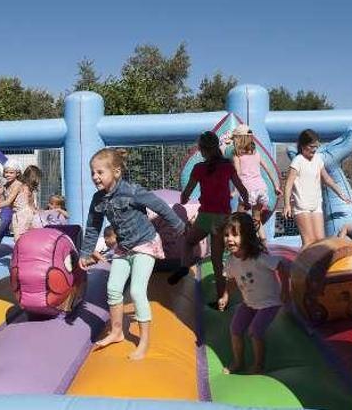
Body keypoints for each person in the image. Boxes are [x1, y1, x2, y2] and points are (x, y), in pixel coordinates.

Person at [80, 148, 184, 360]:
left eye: (100, 172)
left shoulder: (132, 191)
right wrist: (85, 252)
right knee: (113, 289)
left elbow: (160, 206)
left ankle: (144, 341)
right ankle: (117, 331)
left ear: (116, 172)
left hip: (145, 243)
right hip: (124, 247)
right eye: (93, 173)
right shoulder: (98, 199)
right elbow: (93, 226)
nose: (95, 177)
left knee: (136, 291)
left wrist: (178, 224)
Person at [169, 131, 250, 308]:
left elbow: (187, 192)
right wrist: (247, 202)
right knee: (216, 261)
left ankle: (184, 266)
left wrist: (183, 200)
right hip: (222, 219)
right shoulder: (227, 166)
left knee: (189, 242)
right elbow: (241, 188)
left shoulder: (199, 168)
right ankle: (222, 300)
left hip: (205, 216)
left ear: (202, 150)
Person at [218, 213, 289, 375]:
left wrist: (285, 290)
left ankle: (258, 365)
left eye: (235, 235)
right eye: (226, 235)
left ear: (247, 235)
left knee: (255, 331)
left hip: (270, 302)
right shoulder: (230, 261)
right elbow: (230, 280)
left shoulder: (259, 257)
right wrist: (226, 295)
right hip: (249, 303)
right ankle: (238, 362)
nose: (229, 239)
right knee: (235, 329)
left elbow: (281, 267)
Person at [283, 130, 352, 246]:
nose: (314, 149)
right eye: (311, 146)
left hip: (316, 205)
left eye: (316, 147)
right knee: (308, 242)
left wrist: (341, 194)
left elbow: (327, 179)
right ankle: (301, 264)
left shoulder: (318, 160)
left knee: (320, 241)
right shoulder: (298, 161)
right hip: (302, 206)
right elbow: (288, 185)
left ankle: (319, 263)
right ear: (303, 146)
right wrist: (287, 205)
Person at [231, 124, 279, 238]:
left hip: (247, 190)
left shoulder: (237, 155)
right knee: (256, 219)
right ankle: (263, 242)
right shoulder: (256, 153)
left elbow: (237, 174)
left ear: (238, 139)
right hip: (261, 189)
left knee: (238, 219)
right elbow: (268, 169)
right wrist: (275, 186)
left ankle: (240, 243)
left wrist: (234, 191)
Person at [0, 163, 41, 240]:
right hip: (24, 213)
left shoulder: (20, 186)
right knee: (24, 236)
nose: (8, 175)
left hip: (21, 214)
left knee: (18, 237)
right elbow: (31, 204)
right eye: (6, 172)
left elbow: (8, 201)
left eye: (11, 173)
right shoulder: (24, 187)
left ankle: (21, 250)